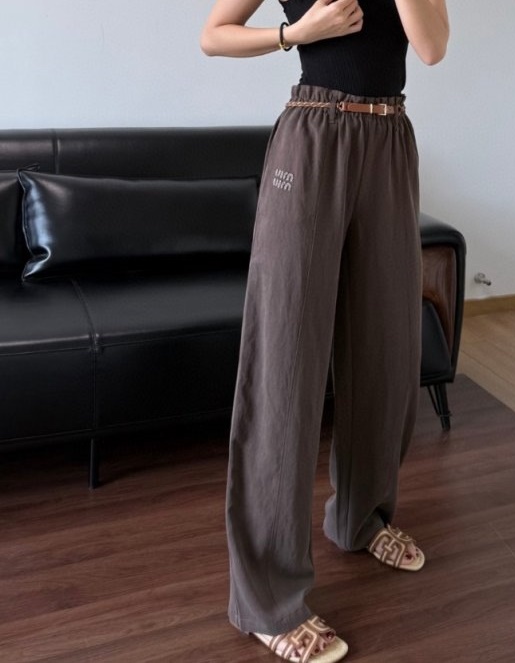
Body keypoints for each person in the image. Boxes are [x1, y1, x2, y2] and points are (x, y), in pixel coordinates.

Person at [201, 1, 449, 660]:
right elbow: (213, 36)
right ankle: (267, 599)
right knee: (285, 359)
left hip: (390, 139)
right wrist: (295, 34)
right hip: (312, 137)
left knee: (386, 348)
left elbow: (431, 48)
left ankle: (362, 517)